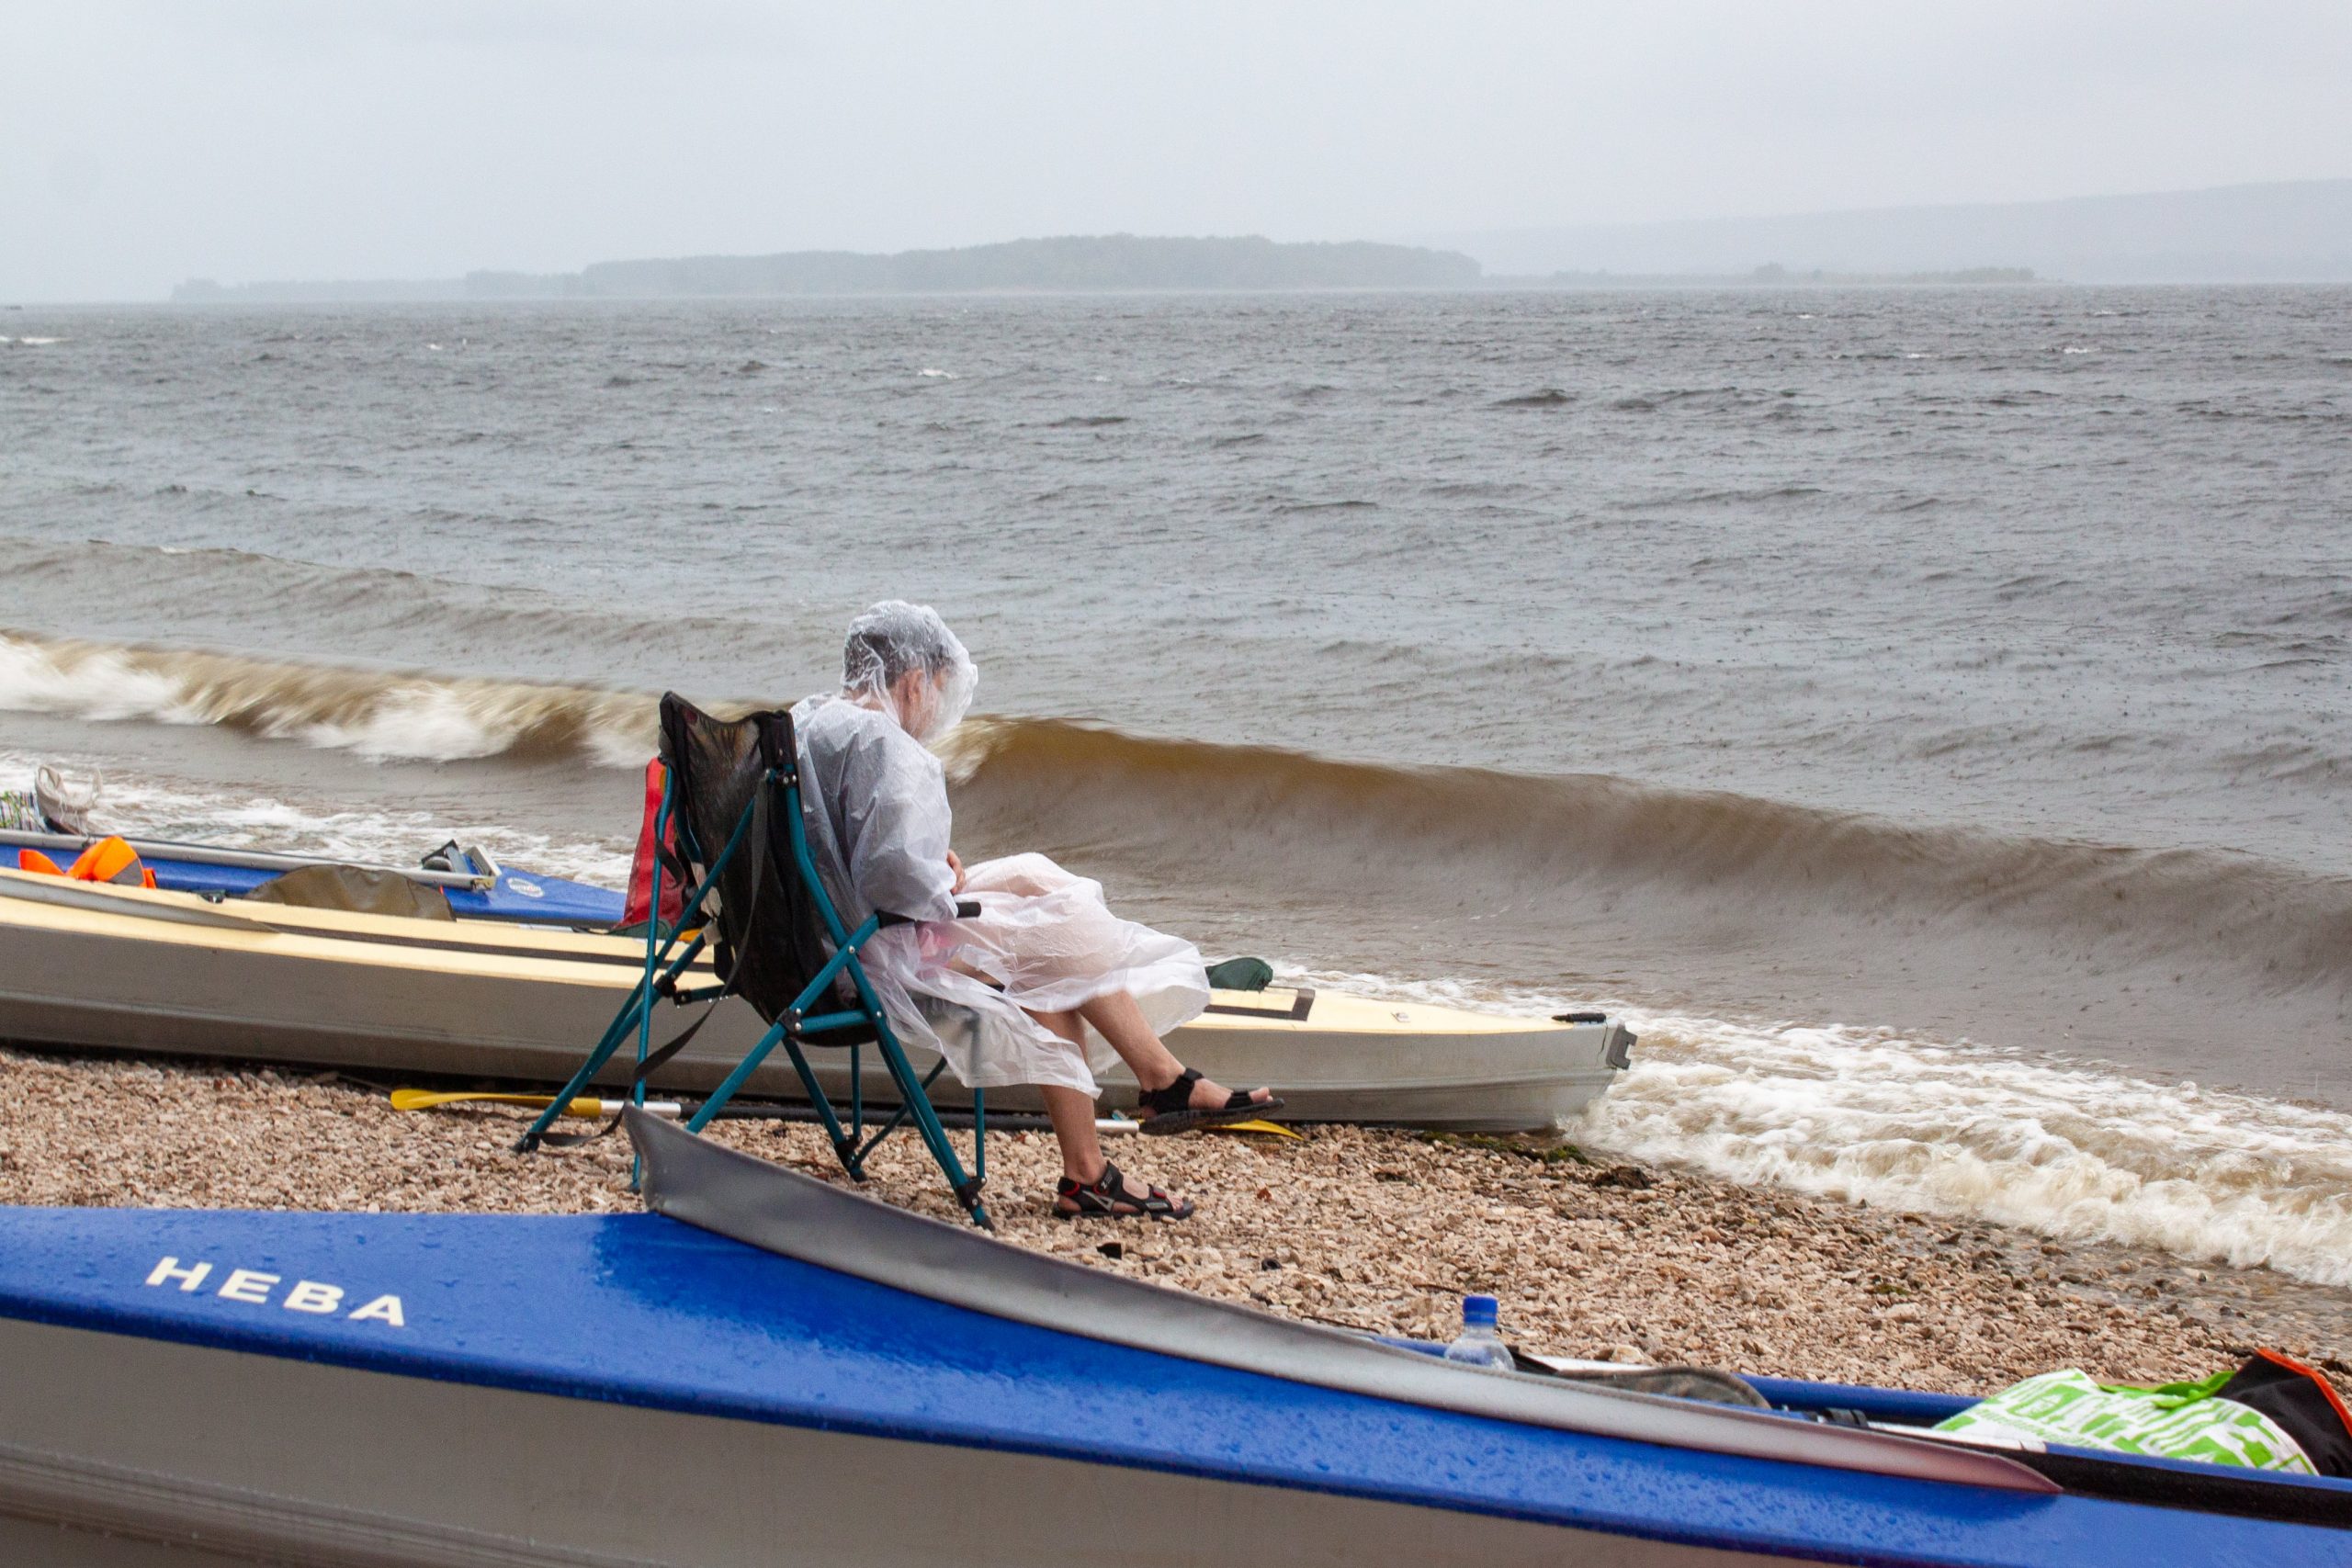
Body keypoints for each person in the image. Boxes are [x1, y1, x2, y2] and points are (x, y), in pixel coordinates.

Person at [791, 601, 1280, 1220]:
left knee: (1033, 876)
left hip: (823, 930)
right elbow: (900, 885)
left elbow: (843, 843)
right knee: (1051, 957)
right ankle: (1113, 1143)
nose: (936, 708)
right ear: (914, 680)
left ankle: (1157, 1088)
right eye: (936, 691)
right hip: (871, 952)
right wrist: (940, 874)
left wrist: (932, 867)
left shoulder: (810, 722)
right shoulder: (886, 747)